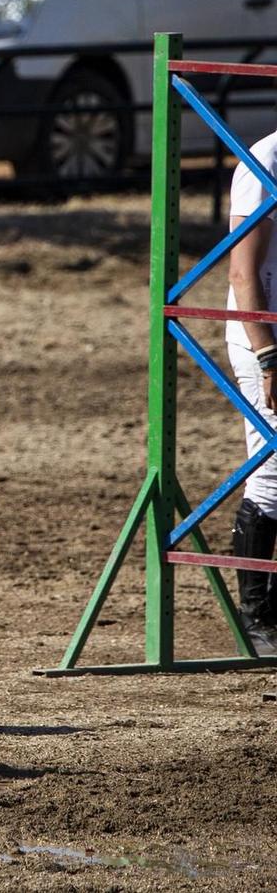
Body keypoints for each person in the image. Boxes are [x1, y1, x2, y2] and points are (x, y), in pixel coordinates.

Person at [225, 126, 277, 655]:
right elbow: (244, 270)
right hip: (264, 337)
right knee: (273, 474)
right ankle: (258, 618)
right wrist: (268, 354)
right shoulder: (266, 161)